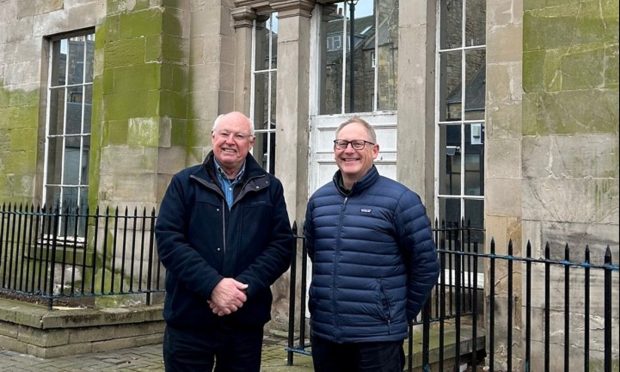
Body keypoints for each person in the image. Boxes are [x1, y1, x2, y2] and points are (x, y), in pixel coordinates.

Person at [155, 111, 294, 372]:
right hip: (189, 319)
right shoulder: (185, 183)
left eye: (239, 136)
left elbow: (280, 246)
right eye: (224, 134)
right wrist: (213, 286)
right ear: (213, 138)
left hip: (244, 321)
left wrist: (240, 290)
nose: (230, 141)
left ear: (251, 142)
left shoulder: (269, 187)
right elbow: (169, 242)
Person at [303, 117, 440, 372]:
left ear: (375, 151)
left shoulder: (401, 201)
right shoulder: (319, 201)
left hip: (377, 339)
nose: (349, 150)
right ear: (335, 150)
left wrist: (394, 314)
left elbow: (426, 266)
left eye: (358, 143)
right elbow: (317, 255)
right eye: (342, 143)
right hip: (325, 334)